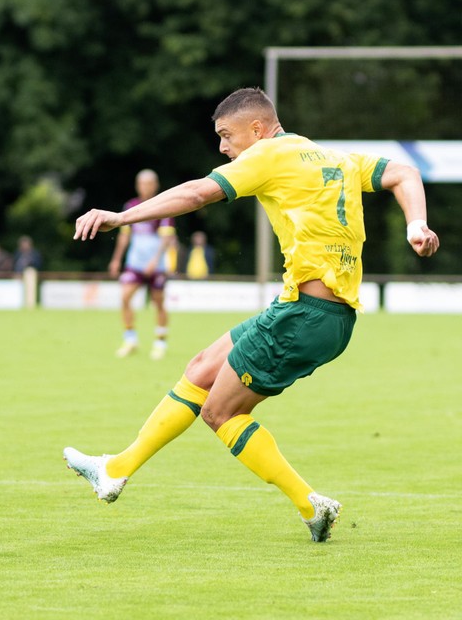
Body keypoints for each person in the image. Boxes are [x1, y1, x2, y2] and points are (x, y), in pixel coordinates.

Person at [65, 87, 439, 542]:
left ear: (257, 129)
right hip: (306, 311)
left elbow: (198, 192)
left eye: (227, 135)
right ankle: (116, 470)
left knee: (220, 413)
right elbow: (403, 172)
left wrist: (122, 218)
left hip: (306, 315)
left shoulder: (269, 156)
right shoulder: (331, 158)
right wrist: (415, 223)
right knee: (202, 368)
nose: (223, 147)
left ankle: (310, 504)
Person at [108, 169, 176, 360]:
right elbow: (124, 236)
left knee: (158, 302)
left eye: (149, 184)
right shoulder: (131, 206)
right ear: (138, 186)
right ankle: (130, 339)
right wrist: (116, 259)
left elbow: (167, 238)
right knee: (124, 297)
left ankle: (160, 342)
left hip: (157, 265)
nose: (145, 187)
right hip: (135, 264)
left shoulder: (164, 206)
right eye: (142, 184)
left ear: (155, 185)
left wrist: (155, 261)